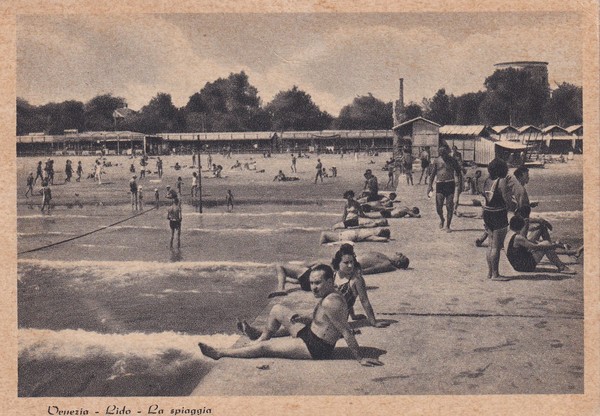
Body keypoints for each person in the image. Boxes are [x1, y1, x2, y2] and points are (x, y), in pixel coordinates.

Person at [199, 264, 384, 366]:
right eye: (311, 283)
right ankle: (258, 337)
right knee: (277, 309)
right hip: (310, 334)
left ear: (329, 281)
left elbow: (345, 331)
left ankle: (220, 353)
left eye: (318, 283)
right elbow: (327, 322)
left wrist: (359, 358)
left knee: (267, 349)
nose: (313, 287)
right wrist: (306, 319)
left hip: (316, 348)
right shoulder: (330, 294)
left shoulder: (331, 301)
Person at [269, 250, 410, 297]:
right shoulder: (385, 257)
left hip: (327, 272)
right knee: (312, 265)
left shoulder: (388, 264)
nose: (399, 254)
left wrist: (352, 272)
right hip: (328, 273)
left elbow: (371, 270)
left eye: (401, 257)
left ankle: (282, 288)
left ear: (399, 263)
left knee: (280, 265)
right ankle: (291, 281)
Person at [332, 244, 389, 327]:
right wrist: (353, 316)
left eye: (352, 262)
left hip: (337, 319)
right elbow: (344, 299)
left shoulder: (357, 280)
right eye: (346, 263)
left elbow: (364, 301)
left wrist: (373, 322)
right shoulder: (333, 275)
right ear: (338, 263)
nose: (350, 265)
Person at [482, 158, 516, 281]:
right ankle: (496, 275)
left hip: (487, 213)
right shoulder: (501, 181)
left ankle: (490, 273)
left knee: (490, 245)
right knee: (496, 246)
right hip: (498, 214)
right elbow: (508, 201)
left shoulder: (487, 180)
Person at [506, 215, 575, 275]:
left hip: (517, 264)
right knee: (546, 246)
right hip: (524, 266)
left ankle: (557, 255)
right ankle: (561, 267)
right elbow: (535, 247)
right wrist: (555, 245)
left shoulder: (509, 233)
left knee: (544, 244)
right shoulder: (518, 238)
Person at [427, 144, 462, 232]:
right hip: (440, 184)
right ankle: (442, 219)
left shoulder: (453, 160)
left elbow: (459, 172)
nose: (443, 155)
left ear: (447, 152)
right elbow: (432, 174)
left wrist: (460, 184)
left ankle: (448, 226)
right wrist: (429, 186)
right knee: (439, 207)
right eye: (441, 153)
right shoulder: (437, 161)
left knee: (449, 206)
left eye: (444, 153)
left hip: (450, 183)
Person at [319, 228, 390, 244]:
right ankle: (323, 245)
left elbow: (378, 239)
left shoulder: (372, 235)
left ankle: (321, 246)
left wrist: (385, 238)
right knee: (325, 236)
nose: (380, 229)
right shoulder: (373, 232)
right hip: (348, 235)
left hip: (347, 236)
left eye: (381, 230)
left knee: (324, 234)